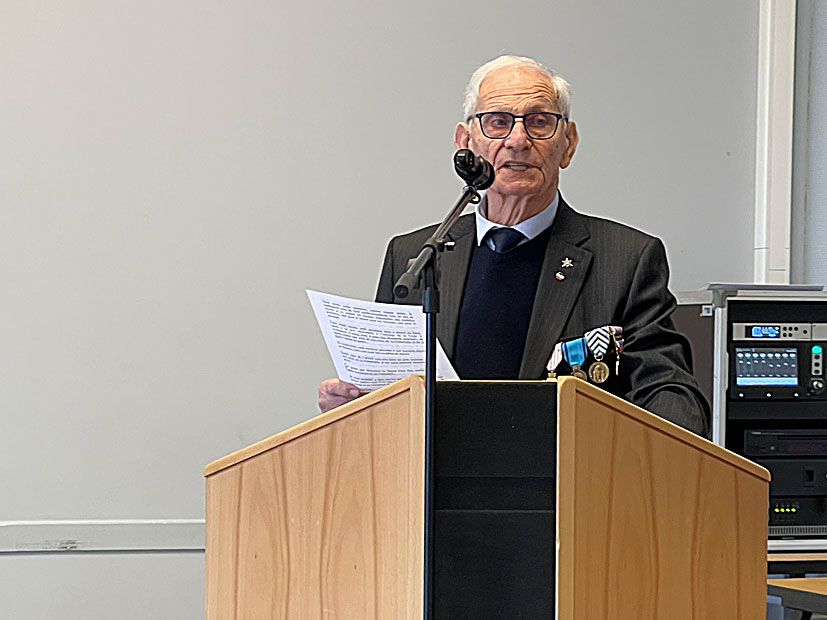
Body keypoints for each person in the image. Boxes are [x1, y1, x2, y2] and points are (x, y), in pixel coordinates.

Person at [318, 55, 710, 437]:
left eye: (539, 122)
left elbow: (670, 394)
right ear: (466, 142)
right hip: (435, 478)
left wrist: (668, 444)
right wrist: (355, 409)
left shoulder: (626, 260)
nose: (518, 140)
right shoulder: (415, 258)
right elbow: (389, 398)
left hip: (566, 476)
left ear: (568, 144)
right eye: (498, 122)